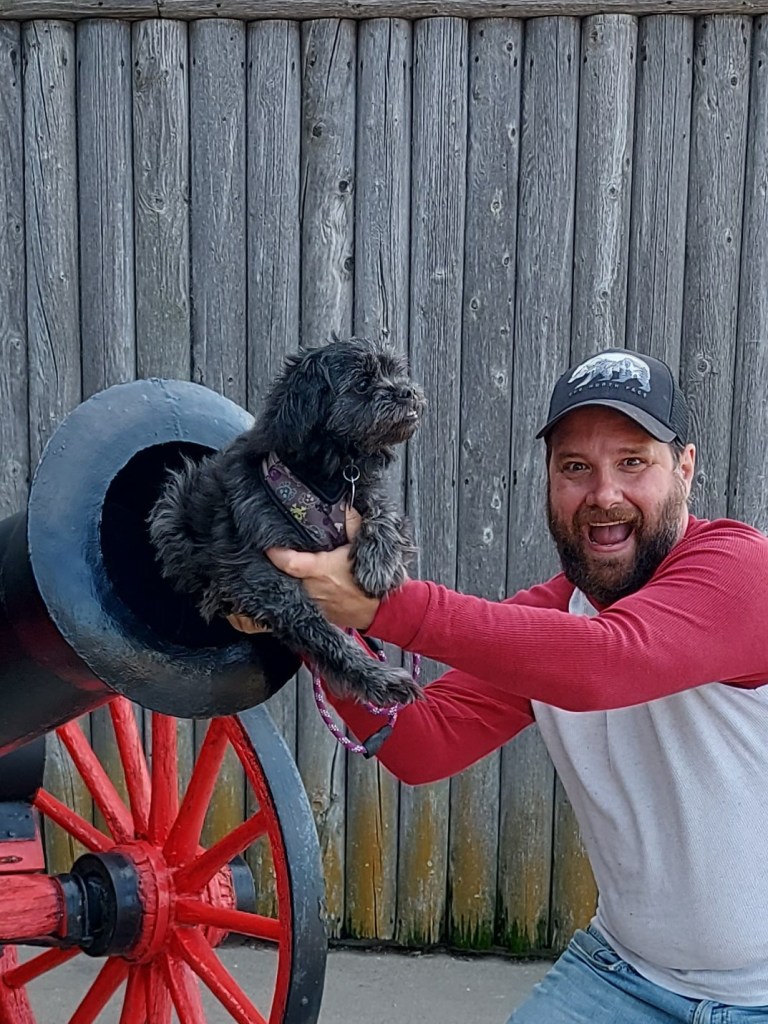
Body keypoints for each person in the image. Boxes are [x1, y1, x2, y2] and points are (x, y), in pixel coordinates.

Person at [229, 348, 768, 1021]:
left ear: (683, 469)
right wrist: (307, 616)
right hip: (626, 973)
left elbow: (606, 665)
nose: (604, 494)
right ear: (548, 480)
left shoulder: (741, 571)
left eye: (634, 462)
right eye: (576, 467)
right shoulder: (553, 622)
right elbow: (424, 745)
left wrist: (377, 600)